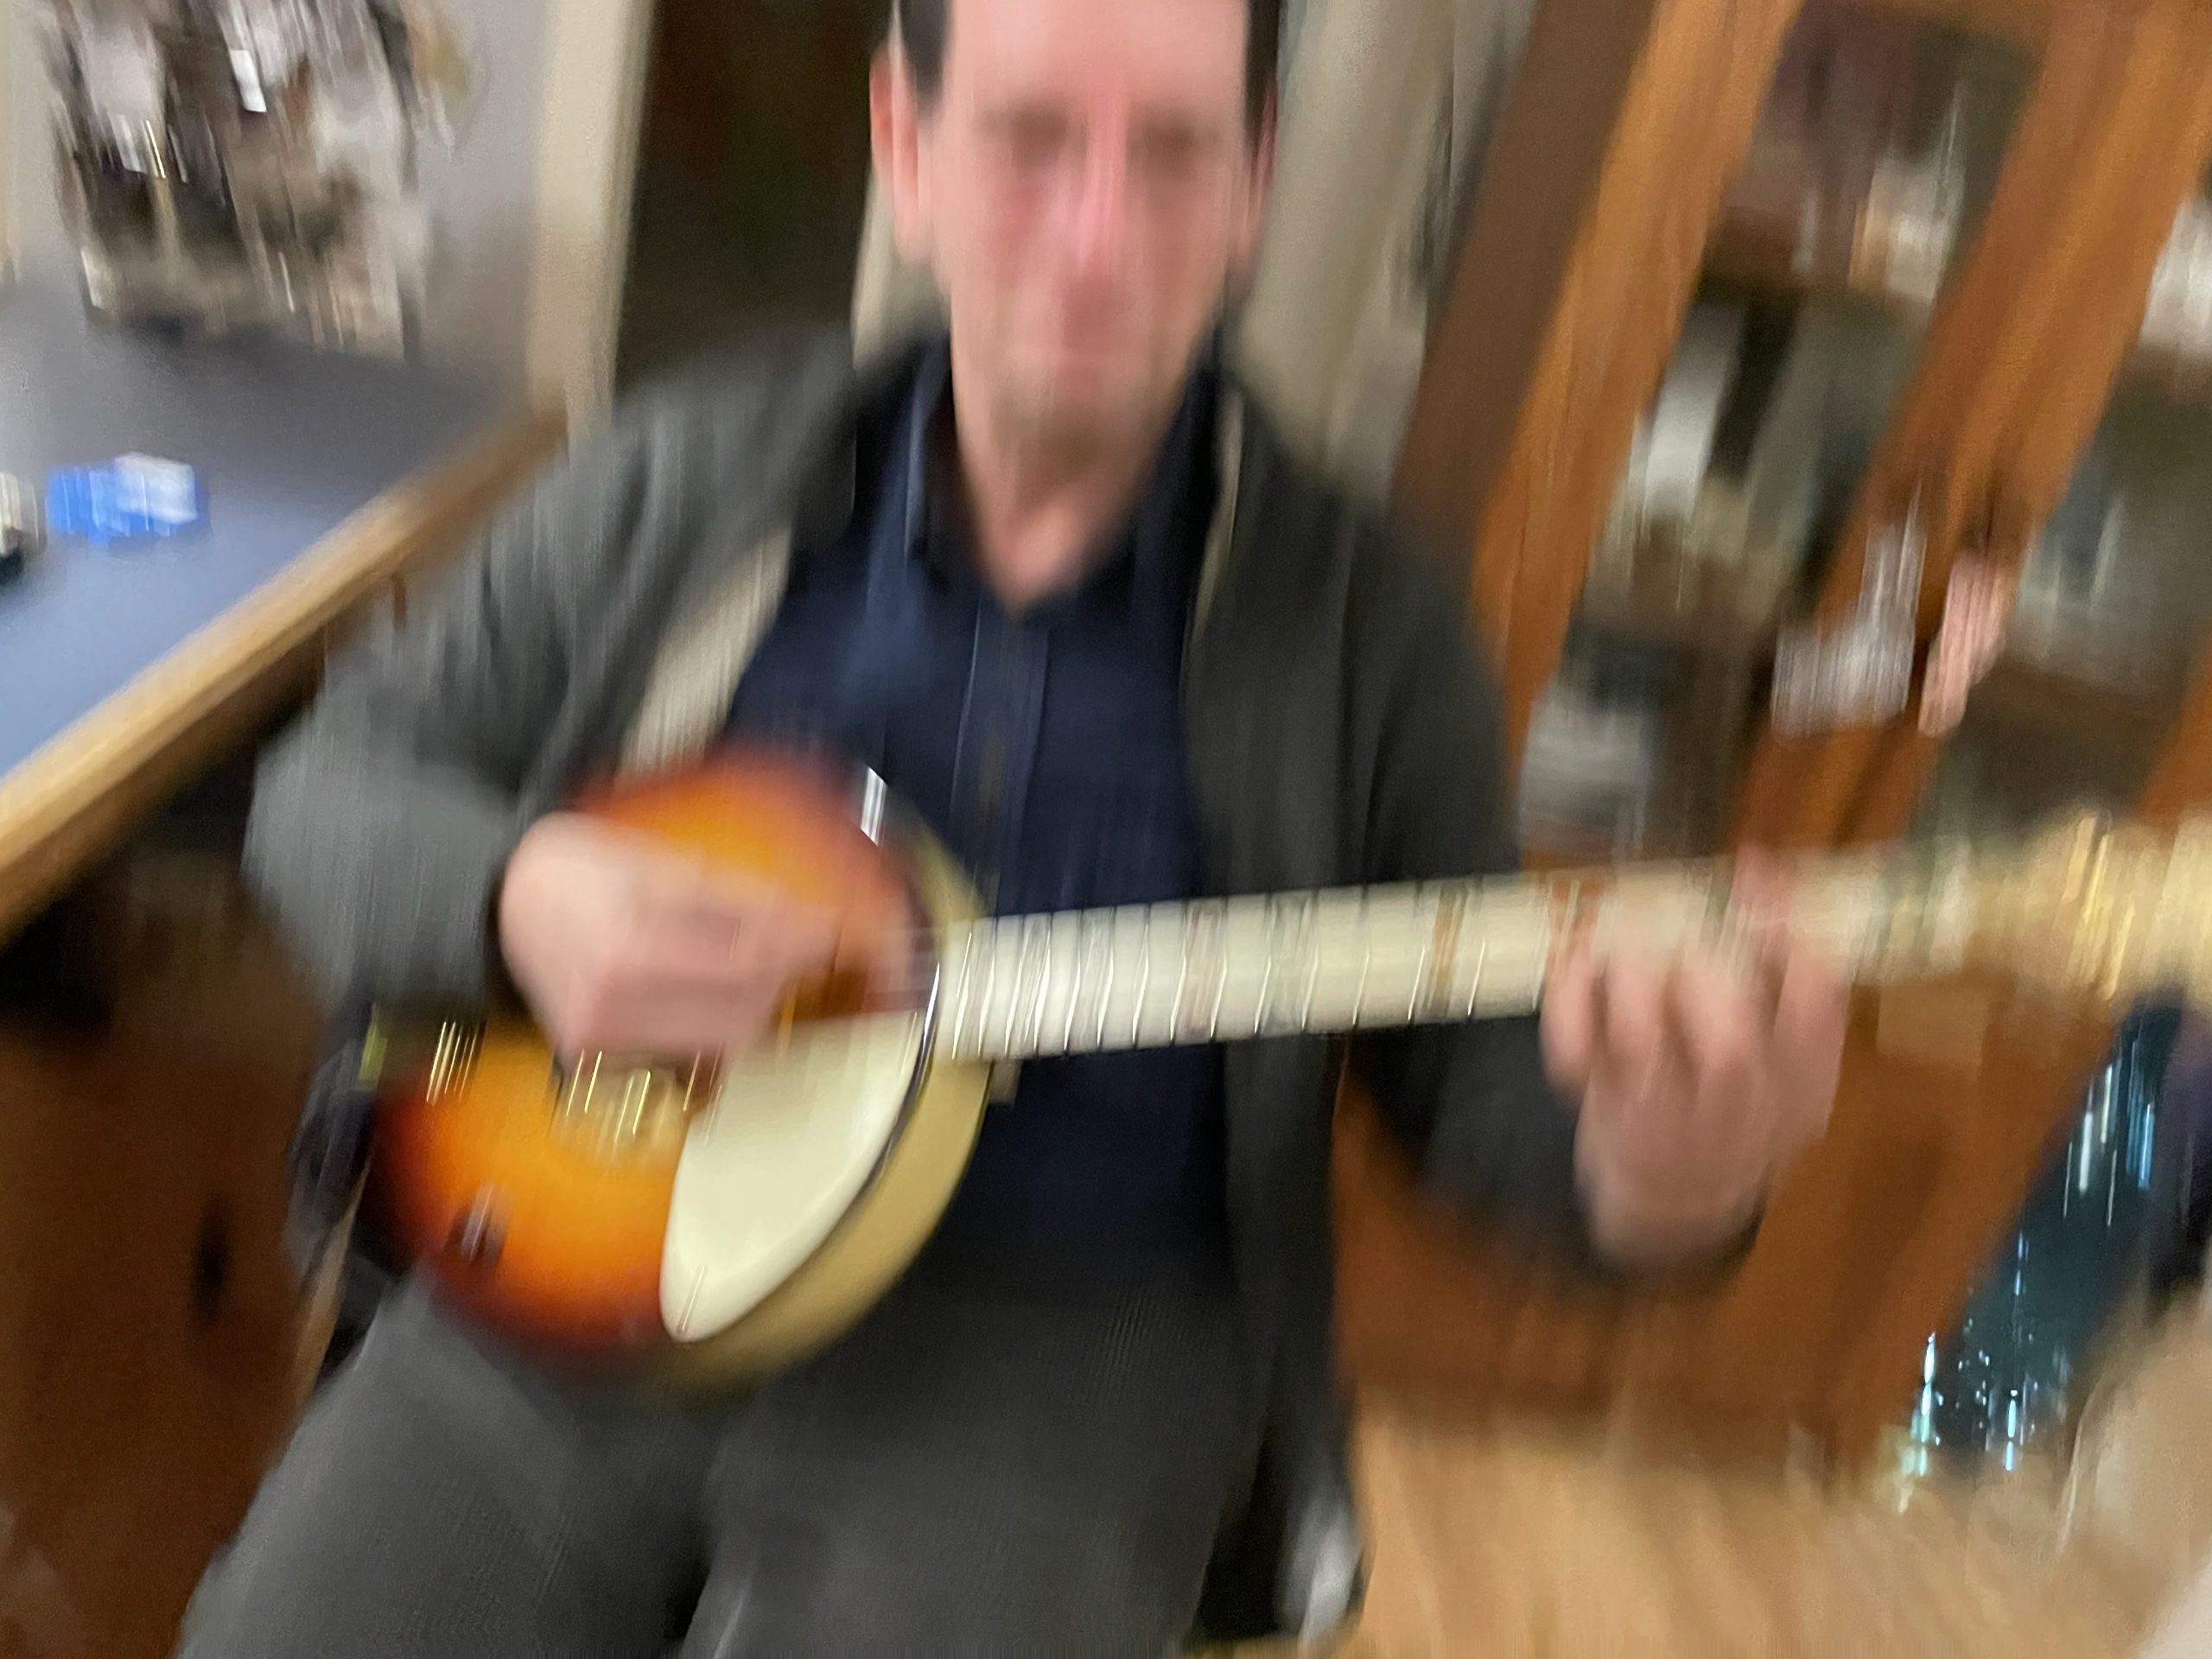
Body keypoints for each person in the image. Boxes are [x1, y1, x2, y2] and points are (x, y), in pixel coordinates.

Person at [179, 0, 1847, 1652]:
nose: (1100, 239)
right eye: (1031, 138)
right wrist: (516, 895)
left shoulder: (1377, 637)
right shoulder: (676, 477)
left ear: (1254, 189)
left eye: (1174, 153)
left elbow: (1474, 1089)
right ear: (907, 156)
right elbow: (332, 785)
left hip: (1060, 1359)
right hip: (585, 1257)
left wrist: (1662, 1175)